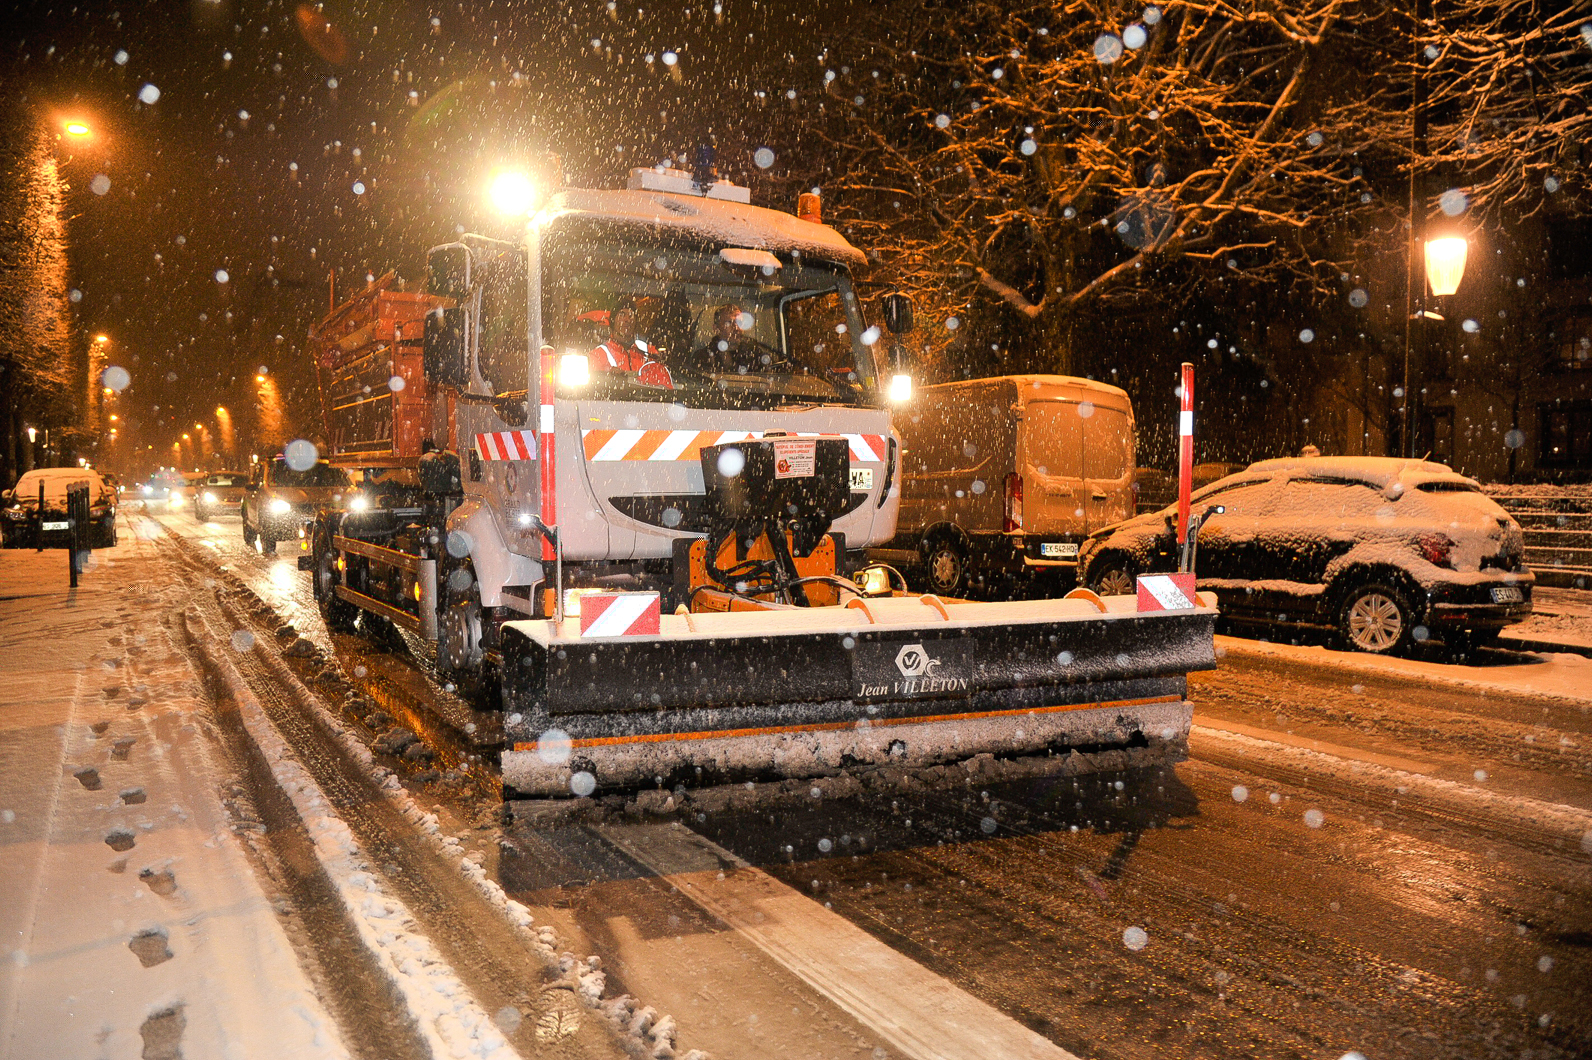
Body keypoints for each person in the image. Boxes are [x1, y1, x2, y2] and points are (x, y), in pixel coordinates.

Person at [590, 297, 673, 389]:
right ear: (613, 320)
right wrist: (608, 375)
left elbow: (665, 385)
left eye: (631, 315)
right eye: (622, 314)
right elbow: (594, 387)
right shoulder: (598, 354)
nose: (627, 320)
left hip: (649, 402)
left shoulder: (650, 351)